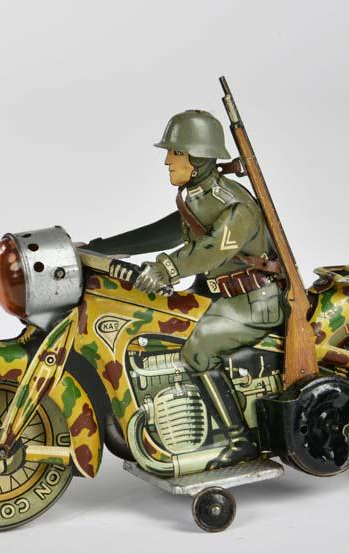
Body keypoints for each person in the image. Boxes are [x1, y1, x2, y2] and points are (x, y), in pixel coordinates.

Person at [87, 110, 284, 468]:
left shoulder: (235, 205)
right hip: (217, 293)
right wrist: (103, 248)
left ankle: (239, 440)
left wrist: (167, 268)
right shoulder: (198, 196)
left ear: (199, 158)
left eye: (175, 152)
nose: (167, 160)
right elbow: (168, 231)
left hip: (253, 302)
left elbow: (212, 248)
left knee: (197, 349)